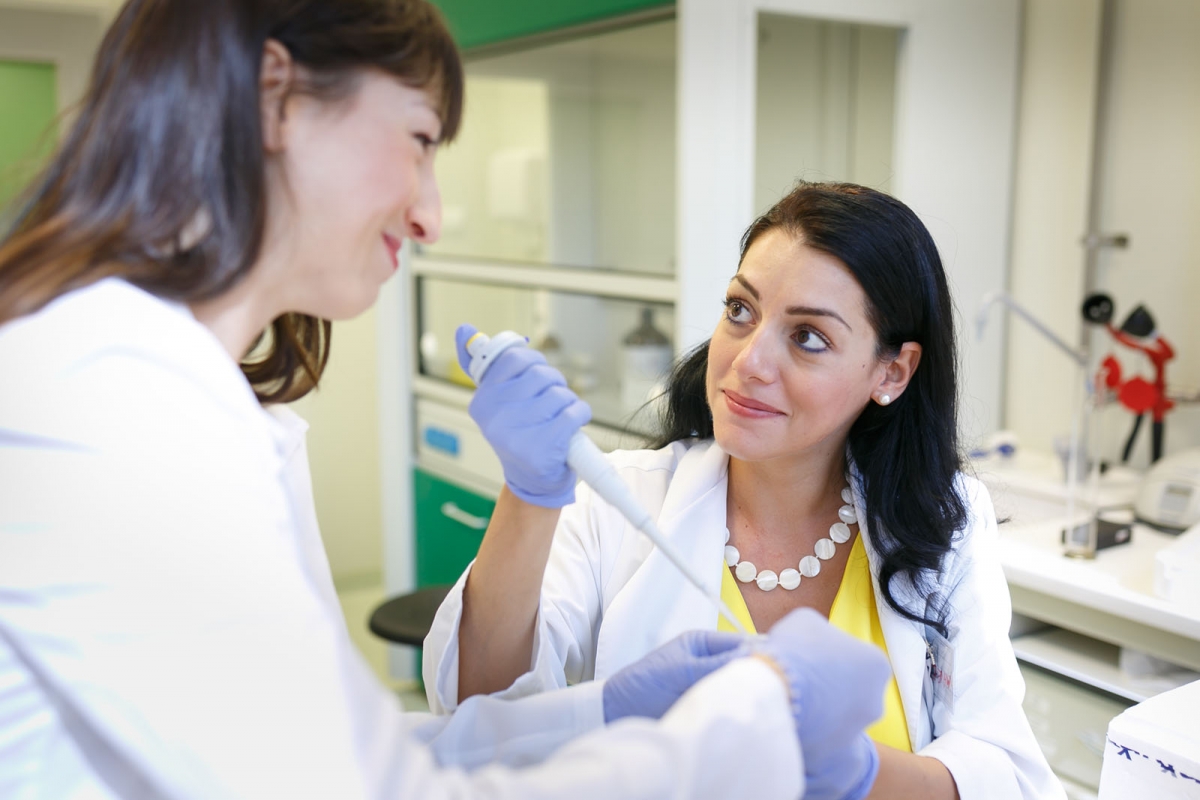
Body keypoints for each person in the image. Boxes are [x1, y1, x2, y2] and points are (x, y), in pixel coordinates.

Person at [0, 2, 897, 798]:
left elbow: (345, 750)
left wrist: (593, 716)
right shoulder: (112, 397)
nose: (431, 214)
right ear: (277, 96)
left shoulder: (160, 388)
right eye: (422, 141)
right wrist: (752, 716)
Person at [426, 181, 1069, 800]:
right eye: (741, 310)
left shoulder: (943, 523)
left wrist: (855, 772)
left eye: (808, 337)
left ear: (891, 371)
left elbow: (1005, 771)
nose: (748, 362)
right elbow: (475, 712)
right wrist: (529, 494)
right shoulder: (620, 502)